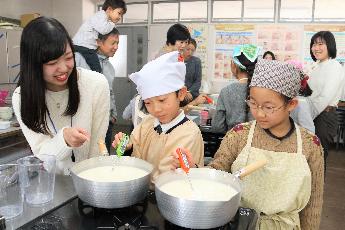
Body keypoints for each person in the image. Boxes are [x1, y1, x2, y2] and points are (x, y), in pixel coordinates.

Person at [173, 59, 324, 230]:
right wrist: (193, 169)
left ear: (291, 104)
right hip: (239, 223)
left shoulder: (310, 145)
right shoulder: (239, 135)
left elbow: (313, 204)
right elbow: (217, 174)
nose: (258, 113)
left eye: (268, 107)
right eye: (253, 103)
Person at [12, 17, 110, 175]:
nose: (64, 68)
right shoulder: (22, 96)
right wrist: (63, 139)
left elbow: (97, 147)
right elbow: (41, 154)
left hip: (90, 180)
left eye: (69, 58)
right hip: (52, 185)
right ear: (33, 63)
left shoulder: (96, 84)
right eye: (52, 63)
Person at [113, 51, 204, 187]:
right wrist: (127, 148)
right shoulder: (147, 124)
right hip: (141, 194)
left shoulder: (189, 133)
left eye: (162, 100)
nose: (156, 109)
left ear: (181, 94)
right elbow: (134, 160)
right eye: (148, 103)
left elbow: (172, 179)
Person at [290, 31, 344, 164]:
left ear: (330, 45)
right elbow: (308, 93)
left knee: (317, 158)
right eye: (314, 44)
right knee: (306, 157)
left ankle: (317, 185)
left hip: (324, 117)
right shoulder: (315, 66)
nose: (316, 48)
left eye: (320, 44)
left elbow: (325, 97)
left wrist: (307, 116)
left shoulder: (334, 66)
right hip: (310, 115)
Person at [75, 27, 119, 152]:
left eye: (117, 43)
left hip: (107, 120)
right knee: (87, 155)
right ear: (99, 42)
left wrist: (113, 113)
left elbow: (110, 92)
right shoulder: (80, 59)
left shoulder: (110, 67)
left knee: (103, 153)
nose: (116, 47)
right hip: (86, 120)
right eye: (113, 43)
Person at [212, 44, 260, 133]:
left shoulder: (226, 92)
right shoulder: (262, 90)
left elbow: (217, 127)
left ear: (234, 65)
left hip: (231, 142)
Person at [73, 0, 126, 73]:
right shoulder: (100, 16)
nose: (120, 17)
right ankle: (99, 76)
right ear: (109, 9)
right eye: (119, 13)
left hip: (81, 45)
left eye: (118, 43)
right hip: (82, 45)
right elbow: (103, 30)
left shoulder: (110, 68)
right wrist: (112, 23)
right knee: (97, 69)